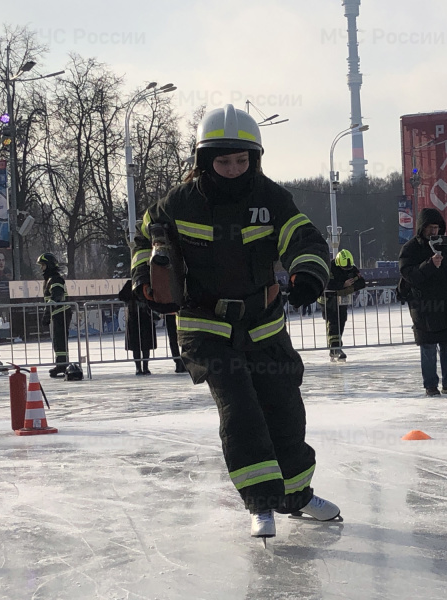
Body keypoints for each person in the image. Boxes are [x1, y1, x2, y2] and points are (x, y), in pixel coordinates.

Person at [130, 104, 339, 539]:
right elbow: (144, 236)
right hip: (204, 327)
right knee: (240, 409)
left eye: (241, 160)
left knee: (283, 407)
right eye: (222, 161)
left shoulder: (272, 198)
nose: (232, 169)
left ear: (255, 158)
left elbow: (303, 236)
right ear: (204, 161)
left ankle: (294, 495)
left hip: (262, 323)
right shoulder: (178, 202)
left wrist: (308, 273)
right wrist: (141, 277)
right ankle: (260, 503)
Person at [398, 208, 447, 397]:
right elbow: (408, 274)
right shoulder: (410, 248)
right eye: (430, 227)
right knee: (428, 347)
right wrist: (429, 265)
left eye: (437, 227)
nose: (434, 231)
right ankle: (430, 385)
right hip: (425, 308)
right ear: (422, 228)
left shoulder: (444, 246)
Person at [321, 249, 366, 361]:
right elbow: (327, 284)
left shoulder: (351, 267)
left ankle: (336, 348)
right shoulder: (329, 267)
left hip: (341, 300)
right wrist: (343, 284)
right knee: (332, 322)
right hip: (328, 299)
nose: (346, 270)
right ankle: (335, 348)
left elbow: (362, 282)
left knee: (342, 320)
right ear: (338, 262)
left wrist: (348, 289)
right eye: (343, 268)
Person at [37, 253, 72, 378]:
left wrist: (47, 313)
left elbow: (56, 296)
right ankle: (61, 364)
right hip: (57, 313)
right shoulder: (51, 279)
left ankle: (62, 365)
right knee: (58, 340)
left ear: (50, 265)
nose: (42, 268)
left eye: (43, 265)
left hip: (60, 313)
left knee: (60, 340)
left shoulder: (55, 279)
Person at [118, 280, 157, 375]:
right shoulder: (130, 283)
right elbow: (122, 296)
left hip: (146, 317)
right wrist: (132, 298)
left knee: (146, 344)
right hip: (134, 318)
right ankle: (138, 368)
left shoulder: (149, 282)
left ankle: (145, 367)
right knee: (136, 345)